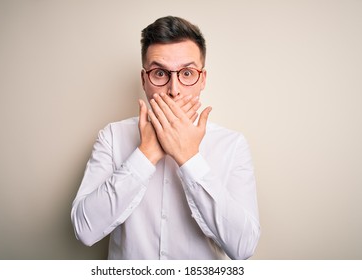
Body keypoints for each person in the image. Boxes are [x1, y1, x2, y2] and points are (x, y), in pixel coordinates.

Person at [71, 16, 260, 260]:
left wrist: (188, 158)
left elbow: (243, 248)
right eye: (160, 73)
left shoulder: (232, 145)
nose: (174, 89)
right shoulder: (112, 137)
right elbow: (85, 230)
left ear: (202, 80)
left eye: (187, 73)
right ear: (144, 80)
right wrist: (146, 153)